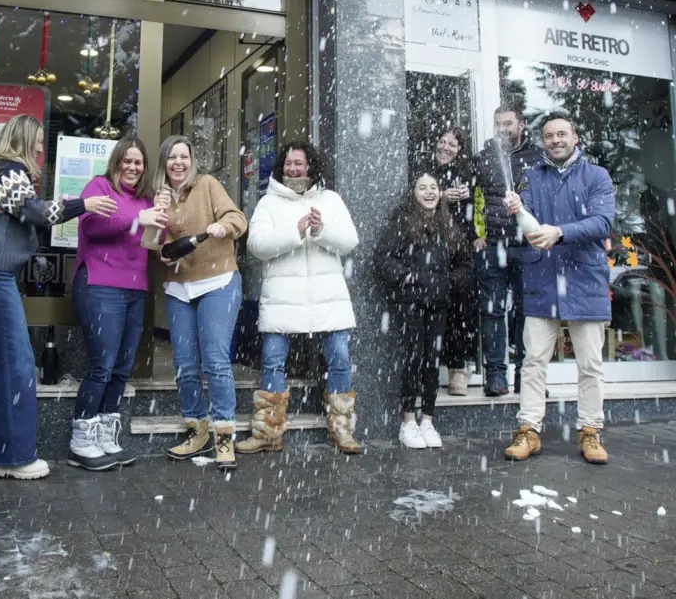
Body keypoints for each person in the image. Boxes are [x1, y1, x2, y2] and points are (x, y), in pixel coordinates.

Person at [0, 114, 116, 481]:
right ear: (23, 140)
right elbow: (37, 213)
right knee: (15, 364)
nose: (41, 149)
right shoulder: (8, 168)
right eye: (38, 142)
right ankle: (12, 458)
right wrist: (84, 204)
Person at [504, 113, 614, 466]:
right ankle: (528, 430)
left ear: (575, 137)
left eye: (561, 134)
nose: (555, 140)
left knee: (591, 364)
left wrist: (560, 232)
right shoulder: (531, 177)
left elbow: (602, 221)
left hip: (585, 281)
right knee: (533, 362)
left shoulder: (597, 176)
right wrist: (519, 212)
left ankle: (590, 432)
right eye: (549, 135)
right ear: (544, 141)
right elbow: (531, 227)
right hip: (542, 282)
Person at [241, 140, 362, 457]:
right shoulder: (268, 204)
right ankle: (267, 432)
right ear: (282, 167)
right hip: (282, 298)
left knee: (339, 360)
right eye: (289, 163)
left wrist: (321, 230)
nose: (294, 169)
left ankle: (342, 431)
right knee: (272, 362)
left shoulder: (331, 199)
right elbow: (257, 246)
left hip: (328, 298)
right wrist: (295, 232)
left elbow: (350, 241)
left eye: (300, 163)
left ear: (311, 166)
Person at [68, 136, 165, 471]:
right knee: (102, 365)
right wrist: (138, 219)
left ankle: (106, 435)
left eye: (138, 163)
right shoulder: (100, 187)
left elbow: (153, 242)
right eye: (127, 161)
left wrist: (161, 216)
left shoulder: (146, 199)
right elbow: (93, 226)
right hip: (100, 284)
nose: (133, 168)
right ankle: (81, 441)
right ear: (116, 161)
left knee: (122, 368)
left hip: (135, 288)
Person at [155, 135, 247, 472]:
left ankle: (224, 438)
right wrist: (162, 251)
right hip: (180, 287)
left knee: (215, 361)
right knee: (183, 364)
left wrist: (224, 226)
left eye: (184, 157)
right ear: (164, 163)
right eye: (172, 157)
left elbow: (238, 218)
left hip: (218, 281)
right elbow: (155, 243)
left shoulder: (207, 184)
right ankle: (196, 430)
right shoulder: (160, 197)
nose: (178, 163)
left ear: (191, 161)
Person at [375, 172, 473, 449]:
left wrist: (448, 283)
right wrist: (406, 277)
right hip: (411, 303)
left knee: (433, 362)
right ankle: (408, 422)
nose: (429, 192)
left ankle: (428, 420)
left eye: (434, 188)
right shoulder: (402, 223)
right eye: (423, 188)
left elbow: (466, 265)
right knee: (413, 360)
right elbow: (382, 259)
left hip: (439, 303)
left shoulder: (449, 224)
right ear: (414, 194)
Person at [473, 106, 542, 396]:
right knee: (492, 312)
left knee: (526, 312)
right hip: (492, 245)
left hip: (527, 245)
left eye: (508, 124)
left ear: (521, 125)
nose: (503, 129)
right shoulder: (483, 157)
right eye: (498, 124)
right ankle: (495, 377)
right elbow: (472, 200)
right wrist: (474, 235)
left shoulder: (539, 158)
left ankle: (525, 377)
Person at [428, 128, 479, 397]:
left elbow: (476, 210)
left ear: (460, 150)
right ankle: (430, 369)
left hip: (459, 250)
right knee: (433, 310)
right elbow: (414, 201)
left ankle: (458, 368)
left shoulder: (466, 173)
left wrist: (477, 236)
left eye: (452, 144)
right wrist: (440, 198)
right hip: (430, 248)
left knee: (461, 310)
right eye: (442, 141)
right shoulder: (423, 172)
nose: (445, 147)